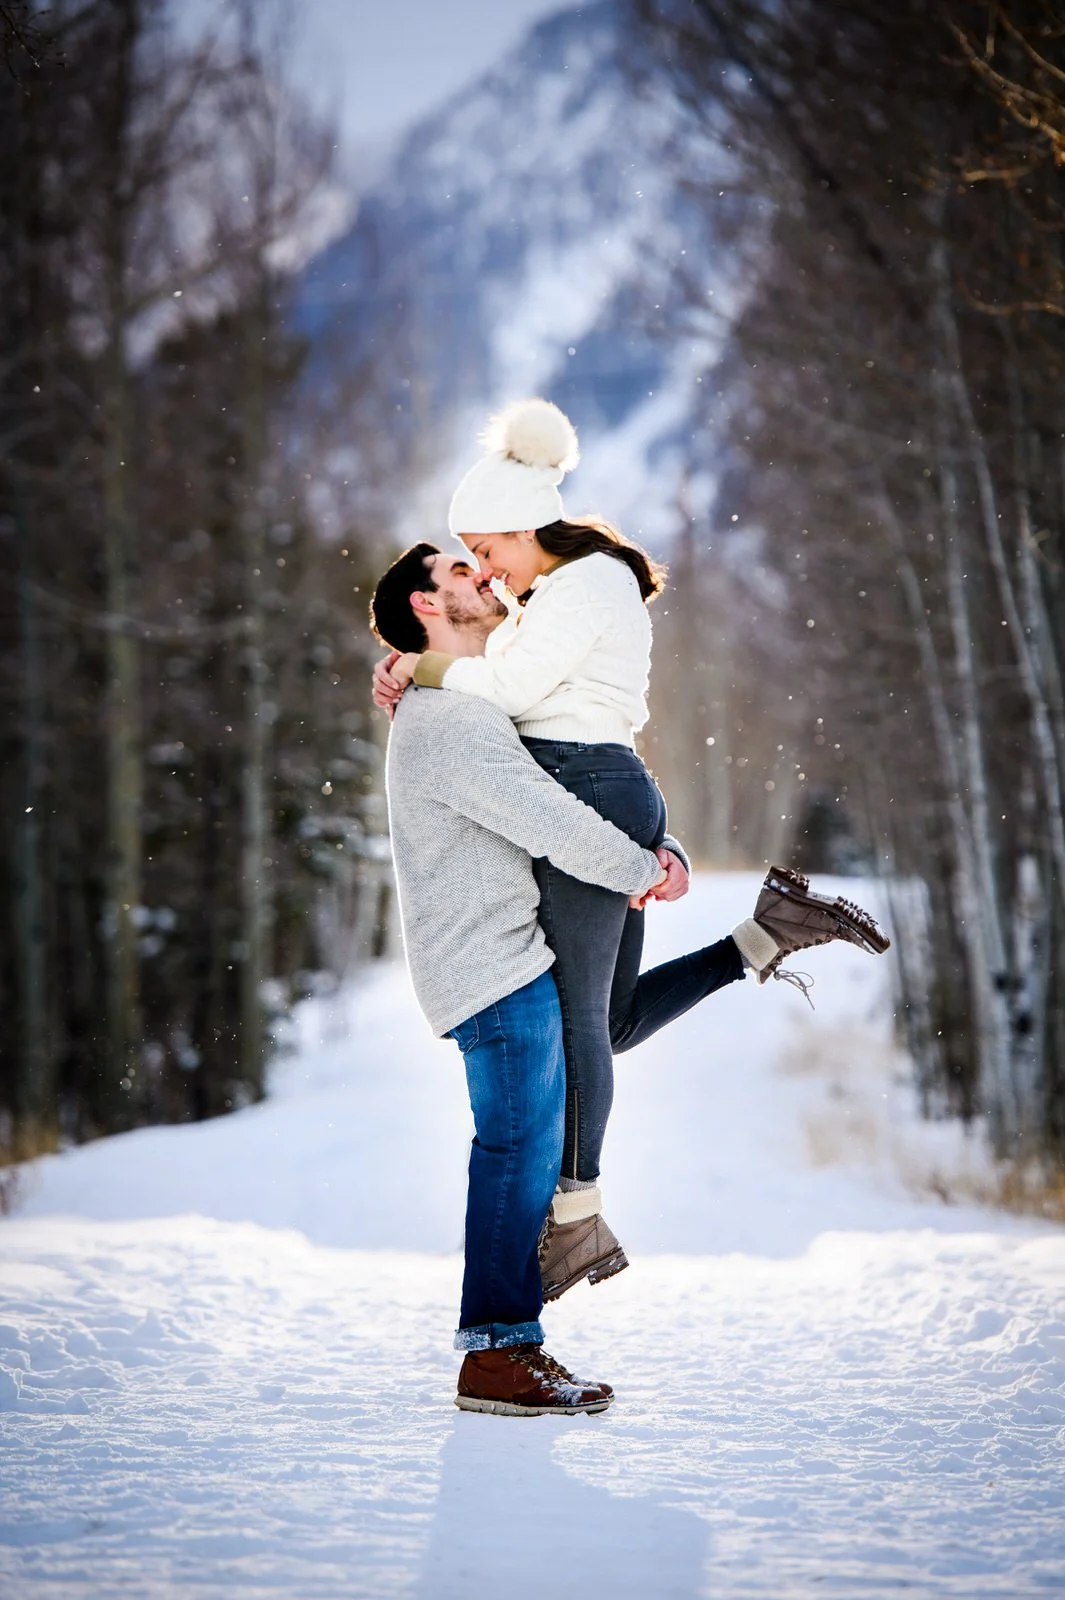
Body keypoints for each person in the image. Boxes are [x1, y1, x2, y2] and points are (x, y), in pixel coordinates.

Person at [373, 399, 891, 1301]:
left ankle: (573, 1218)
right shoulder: (493, 664)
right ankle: (757, 943)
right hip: (555, 862)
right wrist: (647, 850)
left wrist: (421, 667)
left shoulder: (562, 601)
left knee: (580, 1028)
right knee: (602, 1025)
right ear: (432, 600)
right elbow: (540, 774)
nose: (487, 571)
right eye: (468, 563)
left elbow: (547, 738)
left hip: (590, 806)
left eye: (483, 548)